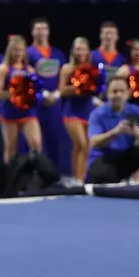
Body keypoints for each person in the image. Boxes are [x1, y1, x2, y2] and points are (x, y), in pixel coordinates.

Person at [86, 77, 139, 185]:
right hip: (103, 157)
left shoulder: (135, 111)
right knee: (105, 176)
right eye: (114, 91)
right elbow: (94, 142)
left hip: (125, 157)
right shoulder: (97, 114)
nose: (118, 95)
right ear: (107, 94)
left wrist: (138, 134)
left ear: (128, 93)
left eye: (122, 91)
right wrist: (114, 132)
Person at [0, 34, 43, 164]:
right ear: (10, 50)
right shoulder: (3, 69)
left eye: (21, 50)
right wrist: (16, 93)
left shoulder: (30, 69)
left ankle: (35, 174)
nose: (18, 53)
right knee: (11, 146)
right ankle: (10, 176)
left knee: (36, 143)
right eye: (15, 50)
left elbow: (36, 89)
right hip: (10, 112)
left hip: (28, 112)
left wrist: (34, 94)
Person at [58, 36, 102, 182]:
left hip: (88, 111)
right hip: (71, 112)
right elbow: (62, 90)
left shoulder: (93, 68)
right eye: (77, 49)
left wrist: (95, 91)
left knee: (82, 146)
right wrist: (78, 87)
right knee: (82, 144)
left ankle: (80, 178)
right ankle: (79, 178)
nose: (80, 52)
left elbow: (99, 87)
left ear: (88, 51)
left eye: (83, 48)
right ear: (73, 51)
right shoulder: (67, 68)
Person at [26, 19, 66, 169]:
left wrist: (56, 94)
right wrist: (41, 94)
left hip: (54, 104)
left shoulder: (58, 54)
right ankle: (35, 173)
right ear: (32, 32)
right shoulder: (27, 53)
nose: (41, 32)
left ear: (48, 32)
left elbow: (64, 77)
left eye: (44, 29)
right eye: (37, 29)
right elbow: (25, 77)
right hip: (35, 104)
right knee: (35, 142)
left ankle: (54, 175)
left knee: (54, 139)